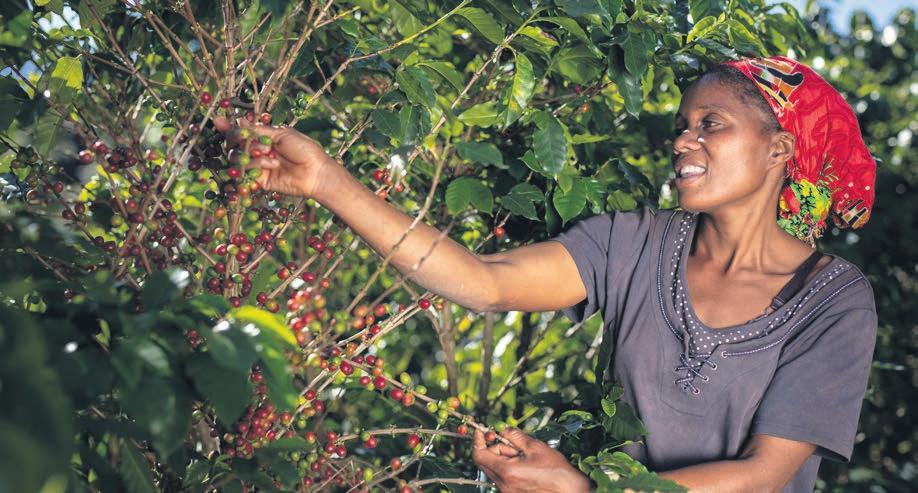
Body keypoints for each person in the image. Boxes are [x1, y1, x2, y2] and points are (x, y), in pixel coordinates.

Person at [214, 54, 877, 493]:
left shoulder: (835, 300)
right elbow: (485, 281)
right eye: (681, 126)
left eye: (712, 125)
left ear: (779, 149)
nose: (682, 141)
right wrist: (327, 181)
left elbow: (762, 475)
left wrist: (583, 489)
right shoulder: (634, 242)